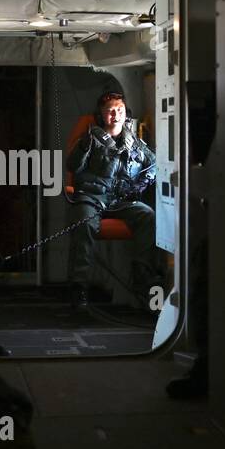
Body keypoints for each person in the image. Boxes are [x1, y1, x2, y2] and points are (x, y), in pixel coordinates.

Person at [65, 91, 160, 312]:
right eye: (110, 111)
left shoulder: (134, 142)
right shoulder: (90, 139)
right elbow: (73, 166)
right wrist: (83, 147)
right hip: (92, 199)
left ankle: (142, 277)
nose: (115, 115)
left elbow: (154, 164)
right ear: (101, 116)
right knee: (85, 223)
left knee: (148, 216)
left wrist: (144, 181)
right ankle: (79, 287)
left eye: (120, 110)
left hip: (121, 201)